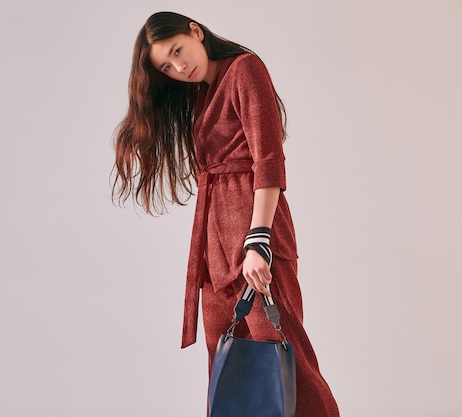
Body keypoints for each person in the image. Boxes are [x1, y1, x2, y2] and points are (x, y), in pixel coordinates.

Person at [111, 11, 340, 417]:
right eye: (167, 66)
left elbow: (268, 160)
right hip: (214, 248)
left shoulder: (245, 69)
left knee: (286, 358)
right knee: (226, 366)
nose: (180, 67)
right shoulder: (201, 93)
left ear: (195, 32)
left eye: (178, 51)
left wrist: (259, 240)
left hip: (255, 236)